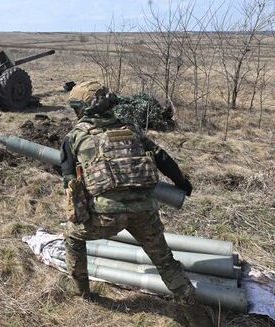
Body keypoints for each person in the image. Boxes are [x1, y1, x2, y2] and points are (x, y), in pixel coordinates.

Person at [60, 81, 212, 326]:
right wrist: (182, 183)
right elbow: (162, 157)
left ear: (83, 109)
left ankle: (83, 293)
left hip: (106, 215)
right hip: (145, 213)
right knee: (166, 263)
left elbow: (69, 182)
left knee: (73, 237)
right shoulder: (131, 129)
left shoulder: (74, 137)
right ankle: (198, 319)